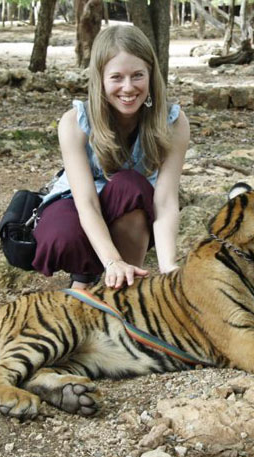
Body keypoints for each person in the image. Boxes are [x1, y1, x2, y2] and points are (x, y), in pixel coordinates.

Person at [32, 25, 190, 290]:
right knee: (62, 235)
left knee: (131, 185)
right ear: (100, 79)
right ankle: (85, 280)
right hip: (78, 205)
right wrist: (112, 261)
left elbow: (164, 201)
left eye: (137, 75)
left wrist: (168, 267)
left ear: (151, 75)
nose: (128, 88)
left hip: (132, 211)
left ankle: (126, 285)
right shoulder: (75, 123)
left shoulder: (173, 123)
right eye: (116, 77)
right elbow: (87, 203)